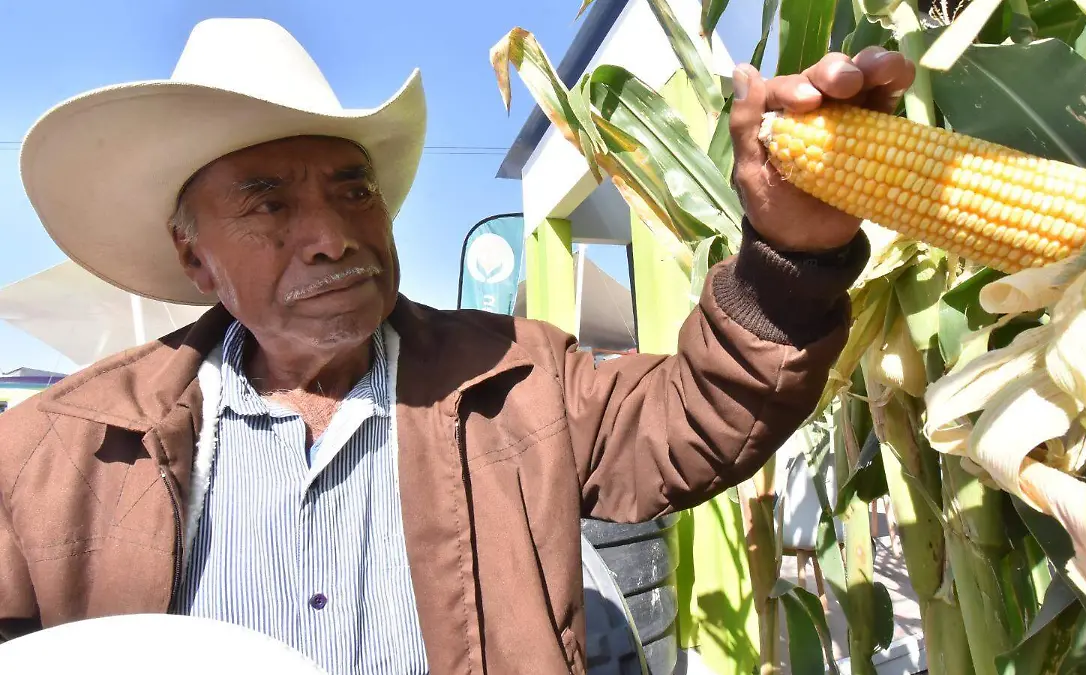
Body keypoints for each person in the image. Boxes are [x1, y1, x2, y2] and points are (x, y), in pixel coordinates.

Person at [0, 17, 914, 675]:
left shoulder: (517, 377)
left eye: (353, 190)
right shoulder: (55, 452)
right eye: (268, 201)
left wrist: (788, 253)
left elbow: (697, 414)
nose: (333, 235)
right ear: (194, 257)